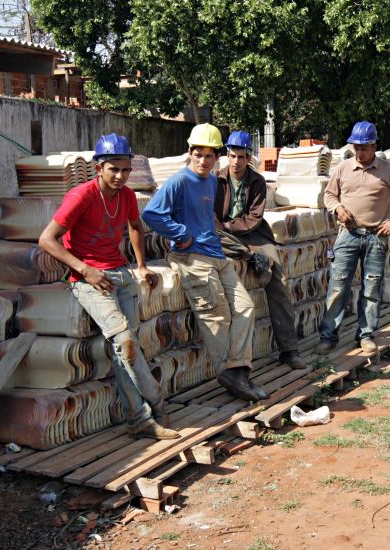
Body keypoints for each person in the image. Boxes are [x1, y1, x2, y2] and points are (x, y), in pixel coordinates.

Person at [39, 133, 179, 440]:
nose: (120, 176)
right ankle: (153, 404)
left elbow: (135, 227)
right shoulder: (81, 195)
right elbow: (46, 239)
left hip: (120, 273)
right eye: (113, 169)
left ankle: (140, 419)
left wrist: (141, 266)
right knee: (125, 342)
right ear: (98, 167)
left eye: (126, 170)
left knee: (125, 351)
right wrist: (84, 269)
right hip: (90, 280)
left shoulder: (127, 196)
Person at [142, 124, 268, 402]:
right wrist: (181, 235)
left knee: (246, 307)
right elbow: (152, 214)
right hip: (191, 256)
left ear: (216, 158)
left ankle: (237, 369)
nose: (203, 160)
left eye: (209, 156)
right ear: (189, 153)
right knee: (216, 313)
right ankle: (230, 374)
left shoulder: (212, 182)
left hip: (215, 254)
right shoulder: (179, 181)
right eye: (198, 154)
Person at [315, 121, 390, 354]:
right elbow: (329, 195)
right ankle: (328, 336)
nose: (359, 153)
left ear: (374, 146)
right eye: (356, 148)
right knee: (337, 286)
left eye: (364, 148)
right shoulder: (343, 168)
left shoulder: (387, 170)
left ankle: (366, 335)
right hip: (347, 236)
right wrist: (338, 209)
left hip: (375, 237)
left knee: (371, 288)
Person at [214, 130, 307, 370]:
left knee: (278, 279)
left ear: (249, 158)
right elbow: (210, 217)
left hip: (254, 234)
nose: (236, 162)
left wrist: (228, 226)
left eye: (241, 157)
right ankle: (250, 257)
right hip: (223, 235)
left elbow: (254, 218)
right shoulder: (215, 180)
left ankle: (289, 349)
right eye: (232, 156)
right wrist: (223, 228)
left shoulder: (256, 182)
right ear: (227, 155)